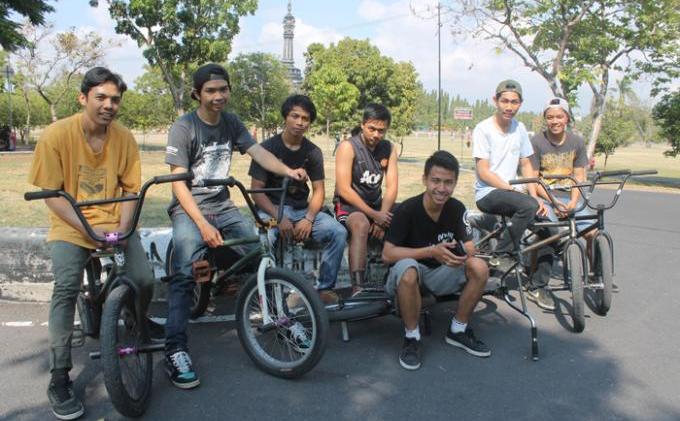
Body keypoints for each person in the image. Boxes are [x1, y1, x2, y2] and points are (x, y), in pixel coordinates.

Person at [164, 63, 307, 389]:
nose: (219, 96)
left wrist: (288, 171)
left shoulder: (231, 122)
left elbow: (258, 152)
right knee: (183, 275)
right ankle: (174, 350)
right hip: (190, 208)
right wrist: (201, 224)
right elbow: (178, 184)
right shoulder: (184, 128)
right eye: (211, 91)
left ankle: (281, 319)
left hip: (223, 205)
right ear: (197, 94)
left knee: (260, 257)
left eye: (223, 89)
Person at [28, 67, 153, 420]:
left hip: (115, 222)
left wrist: (123, 230)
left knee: (144, 280)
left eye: (115, 99)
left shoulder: (124, 137)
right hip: (71, 224)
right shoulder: (56, 135)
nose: (109, 105)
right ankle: (59, 376)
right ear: (82, 98)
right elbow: (52, 196)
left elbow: (130, 191)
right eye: (101, 97)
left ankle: (134, 318)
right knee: (66, 288)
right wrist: (89, 229)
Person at [382, 151, 491, 370]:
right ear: (425, 180)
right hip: (406, 275)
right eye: (436, 181)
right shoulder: (408, 209)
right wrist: (431, 251)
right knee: (409, 270)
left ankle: (458, 329)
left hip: (440, 272)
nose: (441, 188)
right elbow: (387, 254)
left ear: (455, 183)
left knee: (479, 267)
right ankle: (412, 337)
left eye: (448, 182)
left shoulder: (456, 208)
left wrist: (464, 253)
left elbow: (468, 246)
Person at [249, 95, 347, 304]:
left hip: (302, 210)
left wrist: (309, 218)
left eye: (305, 118)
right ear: (285, 117)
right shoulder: (266, 149)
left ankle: (324, 288)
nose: (300, 122)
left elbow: (319, 190)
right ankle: (268, 296)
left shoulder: (313, 152)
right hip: (271, 210)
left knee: (338, 232)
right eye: (295, 116)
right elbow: (256, 191)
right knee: (266, 238)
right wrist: (279, 217)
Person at [527, 97, 599, 307]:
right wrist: (553, 202)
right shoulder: (537, 142)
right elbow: (534, 179)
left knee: (593, 233)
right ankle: (535, 279)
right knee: (547, 233)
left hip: (571, 196)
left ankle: (595, 273)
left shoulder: (576, 142)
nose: (555, 121)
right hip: (546, 196)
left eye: (559, 116)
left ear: (566, 118)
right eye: (550, 117)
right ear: (545, 119)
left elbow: (579, 176)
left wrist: (573, 202)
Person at [473, 79, 545, 262]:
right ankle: (501, 257)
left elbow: (526, 165)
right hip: (488, 192)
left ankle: (538, 280)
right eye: (504, 101)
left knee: (550, 231)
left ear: (520, 103)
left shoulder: (520, 128)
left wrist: (535, 196)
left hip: (513, 193)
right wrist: (512, 190)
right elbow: (483, 172)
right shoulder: (483, 129)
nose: (509, 107)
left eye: (514, 102)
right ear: (495, 101)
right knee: (528, 206)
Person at [334, 103, 398, 292]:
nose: (376, 134)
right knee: (361, 225)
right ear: (362, 125)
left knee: (406, 216)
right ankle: (358, 287)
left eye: (381, 130)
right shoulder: (348, 147)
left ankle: (400, 279)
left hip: (376, 205)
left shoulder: (389, 148)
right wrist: (374, 215)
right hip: (349, 205)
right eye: (372, 128)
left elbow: (392, 187)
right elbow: (344, 189)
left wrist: (382, 217)